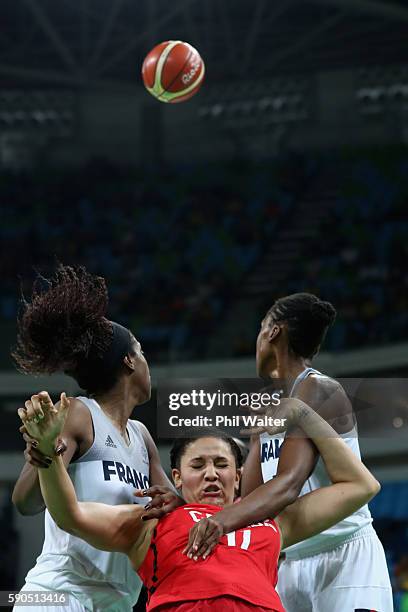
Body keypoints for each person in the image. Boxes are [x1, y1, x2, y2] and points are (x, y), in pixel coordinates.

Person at [18, 391, 380, 612]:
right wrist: (48, 456)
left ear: (238, 477)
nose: (211, 473)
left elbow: (360, 484)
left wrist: (303, 413)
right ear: (177, 478)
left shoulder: (270, 523)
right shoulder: (151, 521)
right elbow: (70, 516)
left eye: (222, 464)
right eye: (198, 465)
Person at [184, 292, 393, 612]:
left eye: (260, 329)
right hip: (288, 562)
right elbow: (251, 496)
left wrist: (222, 522)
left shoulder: (318, 389)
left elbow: (290, 481)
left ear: (273, 332)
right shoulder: (267, 407)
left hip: (343, 557)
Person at [11, 264, 181, 612]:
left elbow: (174, 505)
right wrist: (43, 451)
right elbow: (25, 503)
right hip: (60, 593)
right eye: (143, 352)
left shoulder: (141, 435)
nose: (148, 363)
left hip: (116, 602)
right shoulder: (79, 413)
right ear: (129, 361)